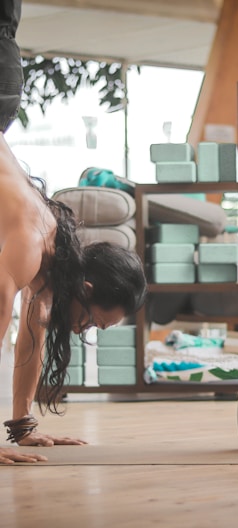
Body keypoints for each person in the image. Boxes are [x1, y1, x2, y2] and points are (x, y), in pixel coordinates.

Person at [0, 1, 147, 465]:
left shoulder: (51, 272)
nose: (84, 330)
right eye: (92, 321)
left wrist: (21, 428)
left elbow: (32, 334)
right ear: (84, 289)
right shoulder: (26, 244)